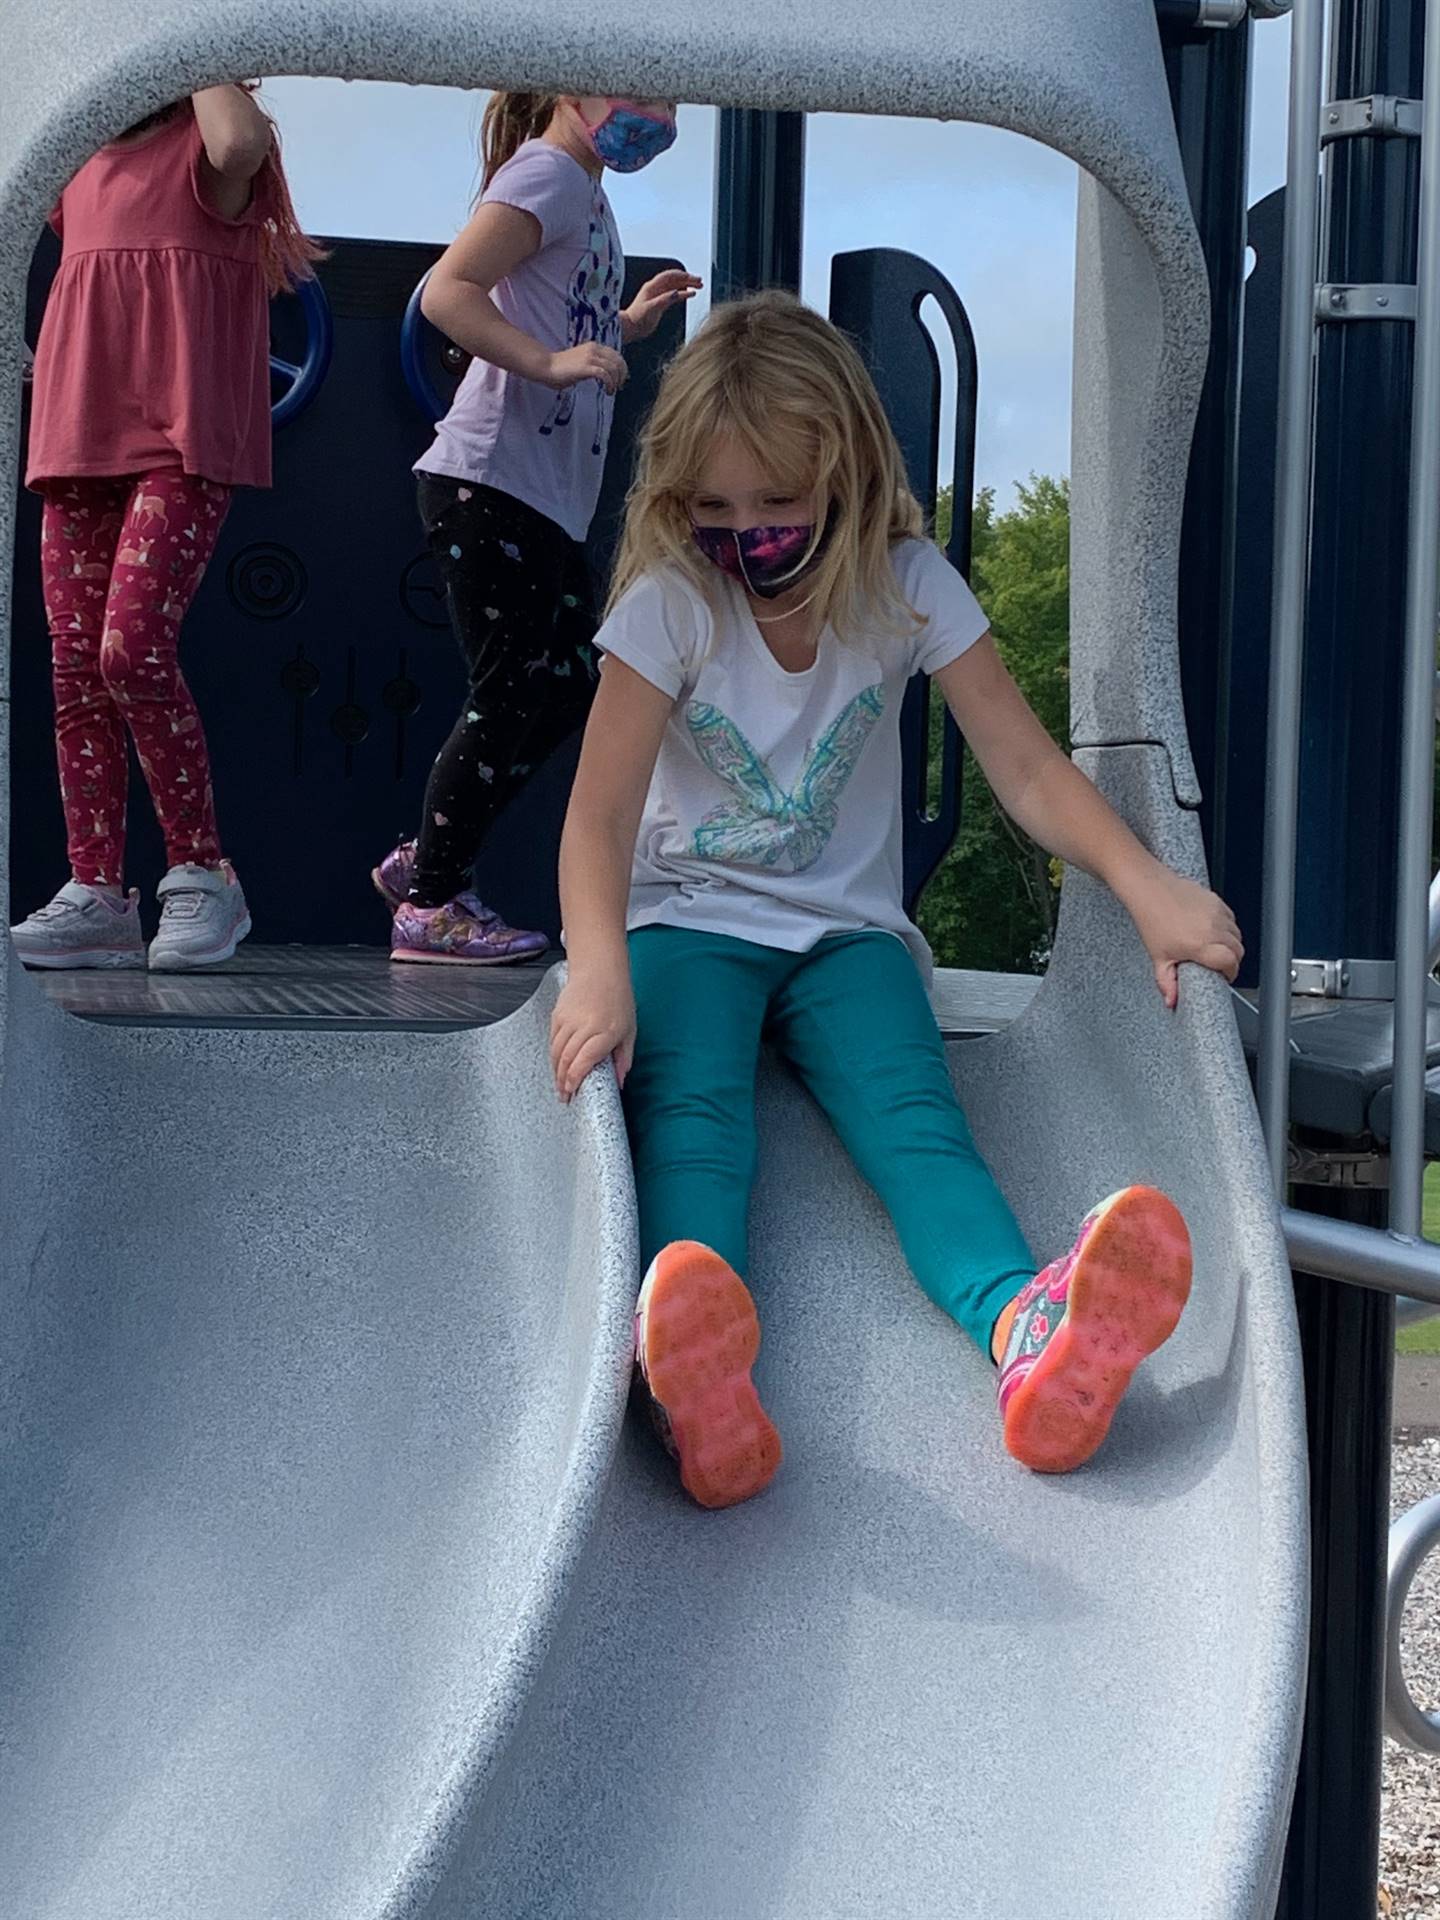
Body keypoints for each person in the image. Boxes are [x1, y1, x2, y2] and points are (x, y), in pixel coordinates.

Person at [549, 292, 1244, 1510]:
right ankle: (693, 1370)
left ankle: (1025, 1330)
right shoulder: (670, 604)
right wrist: (599, 964)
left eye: (778, 506)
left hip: (847, 937)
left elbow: (1026, 767)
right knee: (693, 1118)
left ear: (850, 479)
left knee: (917, 1127)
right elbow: (599, 817)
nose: (747, 535)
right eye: (715, 511)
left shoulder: (904, 584)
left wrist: (1149, 888)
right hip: (687, 920)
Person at [373, 91, 700, 965]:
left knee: (568, 687)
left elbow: (555, 310)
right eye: (642, 96)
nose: (659, 118)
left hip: (543, 497)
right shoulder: (546, 172)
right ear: (570, 88)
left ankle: (427, 864)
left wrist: (625, 324)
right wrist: (551, 364)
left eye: (670, 101)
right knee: (511, 690)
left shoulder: (585, 191)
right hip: (489, 483)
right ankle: (432, 901)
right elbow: (448, 292)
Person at [12, 85, 321, 971]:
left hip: (179, 441)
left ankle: (202, 871)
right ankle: (97, 890)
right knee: (74, 668)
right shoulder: (76, 154)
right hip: (77, 433)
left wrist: (192, 42)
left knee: (130, 650)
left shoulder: (210, 140)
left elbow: (236, 144)